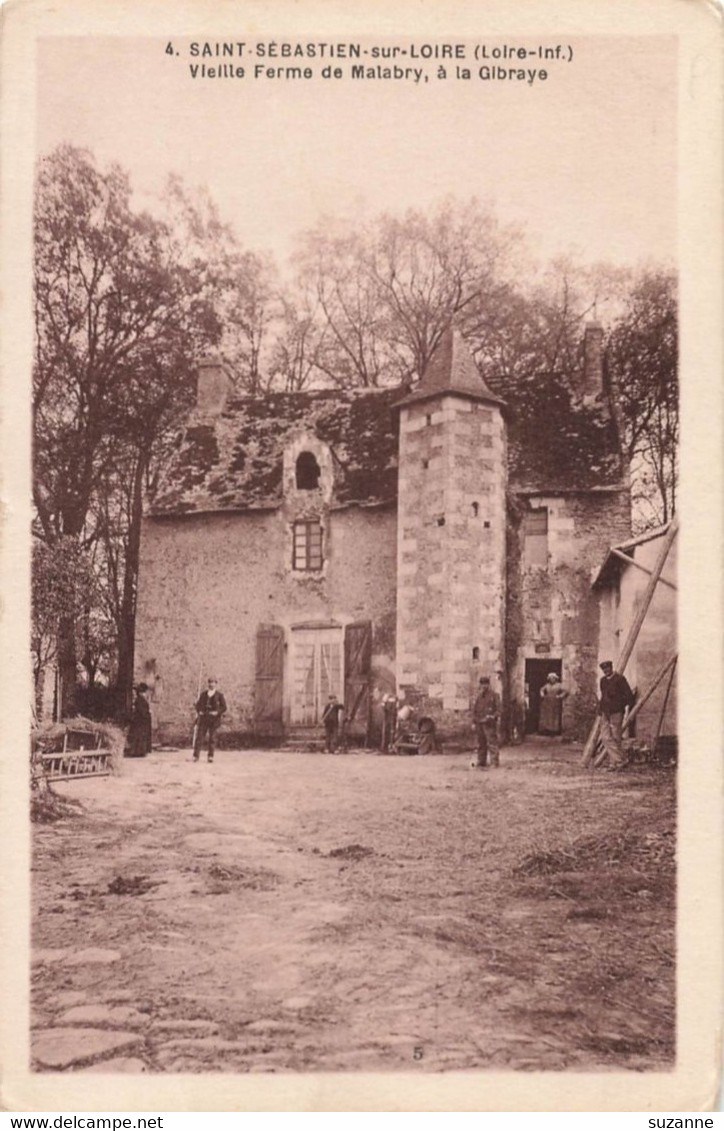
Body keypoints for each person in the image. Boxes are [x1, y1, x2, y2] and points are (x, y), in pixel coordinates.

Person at [598, 661, 635, 770]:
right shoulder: (603, 681)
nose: (606, 671)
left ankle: (613, 764)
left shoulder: (620, 679)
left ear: (611, 667)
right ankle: (621, 760)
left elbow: (629, 696)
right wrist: (600, 709)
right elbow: (603, 695)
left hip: (616, 712)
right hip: (605, 712)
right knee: (605, 737)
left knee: (615, 737)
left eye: (607, 669)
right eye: (604, 670)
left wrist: (619, 705)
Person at [193, 677, 227, 763]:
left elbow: (224, 707)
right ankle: (196, 756)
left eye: (213, 682)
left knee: (212, 738)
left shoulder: (219, 695)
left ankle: (210, 756)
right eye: (210, 682)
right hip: (204, 718)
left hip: (214, 720)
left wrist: (217, 712)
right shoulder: (204, 694)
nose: (211, 684)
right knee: (199, 737)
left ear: (216, 684)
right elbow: (198, 705)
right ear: (208, 684)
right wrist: (199, 711)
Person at [471, 675, 501, 769]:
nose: (484, 686)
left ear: (488, 684)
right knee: (481, 743)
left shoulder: (494, 696)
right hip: (479, 722)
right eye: (482, 684)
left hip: (489, 723)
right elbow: (475, 710)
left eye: (485, 684)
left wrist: (492, 716)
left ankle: (494, 762)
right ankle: (481, 761)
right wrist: (473, 722)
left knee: (492, 743)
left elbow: (499, 710)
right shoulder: (479, 697)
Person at [125, 683, 152, 758]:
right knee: (139, 736)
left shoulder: (141, 699)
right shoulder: (140, 699)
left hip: (141, 720)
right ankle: (138, 752)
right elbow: (141, 710)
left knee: (140, 736)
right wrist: (147, 713)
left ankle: (140, 751)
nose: (146, 693)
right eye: (145, 692)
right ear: (142, 692)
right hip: (140, 721)